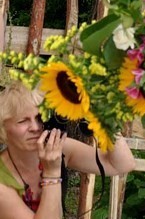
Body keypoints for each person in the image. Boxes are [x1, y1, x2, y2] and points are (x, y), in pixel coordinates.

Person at [0, 81, 135, 219]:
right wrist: (51, 174)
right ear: (3, 127)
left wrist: (104, 120)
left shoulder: (59, 149)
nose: (35, 127)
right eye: (23, 121)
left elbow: (122, 164)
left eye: (39, 118)